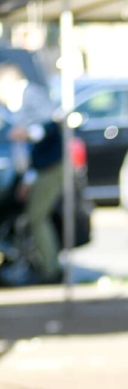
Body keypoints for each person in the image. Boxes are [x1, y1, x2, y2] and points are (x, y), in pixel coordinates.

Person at [0, 62, 64, 285]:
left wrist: (27, 133)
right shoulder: (21, 101)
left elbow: (52, 124)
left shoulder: (31, 94)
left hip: (52, 165)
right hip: (41, 167)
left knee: (37, 217)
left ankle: (51, 271)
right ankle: (45, 266)